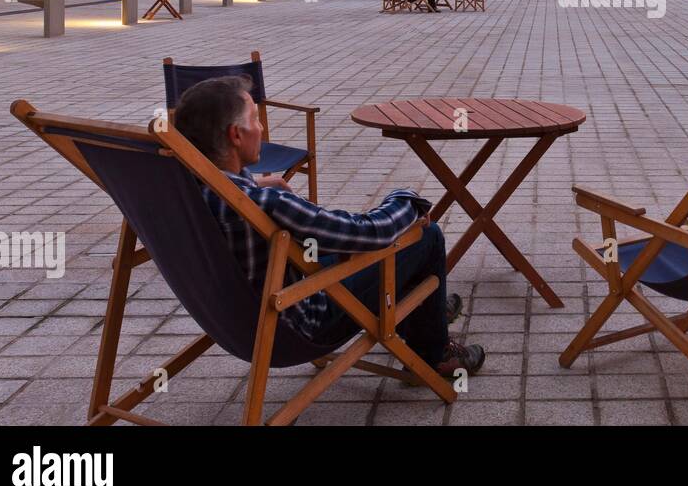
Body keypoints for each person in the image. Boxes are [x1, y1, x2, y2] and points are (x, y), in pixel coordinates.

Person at [174, 75, 484, 377]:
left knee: (351, 249)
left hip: (235, 323)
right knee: (422, 236)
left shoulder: (187, 192)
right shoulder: (266, 204)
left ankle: (424, 314)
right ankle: (433, 355)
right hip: (302, 324)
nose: (262, 127)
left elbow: (231, 190)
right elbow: (369, 232)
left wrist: (252, 180)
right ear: (235, 135)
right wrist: (407, 200)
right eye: (255, 119)